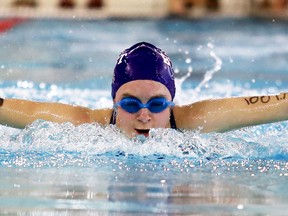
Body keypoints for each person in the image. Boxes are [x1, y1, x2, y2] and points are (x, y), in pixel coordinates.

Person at [0, 42, 287, 138]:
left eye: (158, 105)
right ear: (114, 102)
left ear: (172, 103)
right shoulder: (86, 125)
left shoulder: (198, 119)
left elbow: (273, 105)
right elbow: (29, 111)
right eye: (131, 104)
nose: (145, 117)